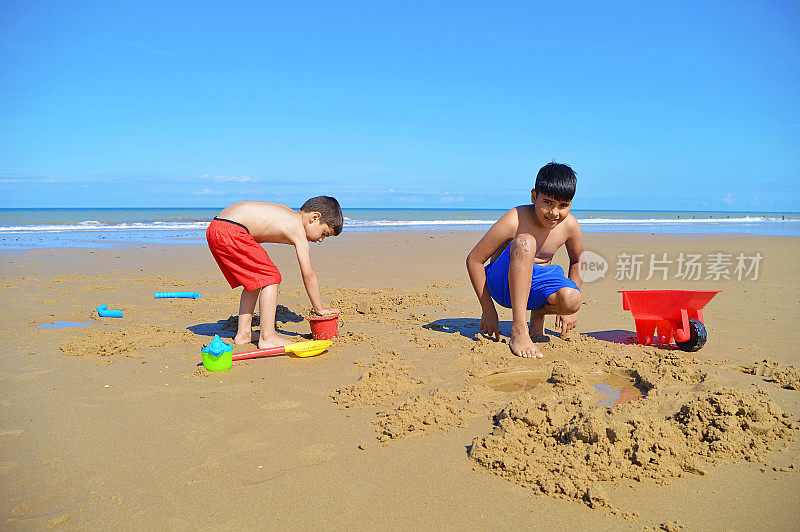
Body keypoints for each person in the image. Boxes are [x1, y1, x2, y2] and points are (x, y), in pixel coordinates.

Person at [466, 162, 583, 358]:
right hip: (503, 283)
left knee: (573, 299)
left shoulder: (570, 225)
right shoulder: (516, 218)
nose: (555, 213)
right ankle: (519, 329)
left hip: (535, 287)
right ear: (534, 196)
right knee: (526, 242)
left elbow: (578, 261)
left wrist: (568, 310)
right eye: (548, 203)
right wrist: (488, 310)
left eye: (563, 205)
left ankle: (538, 313)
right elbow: (474, 260)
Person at [206, 196, 342, 349]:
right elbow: (308, 274)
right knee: (271, 277)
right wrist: (319, 308)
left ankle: (244, 333)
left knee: (256, 280)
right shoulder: (298, 230)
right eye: (324, 233)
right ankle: (267, 337)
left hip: (217, 227)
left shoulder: (288, 213)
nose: (321, 240)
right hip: (231, 231)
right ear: (314, 218)